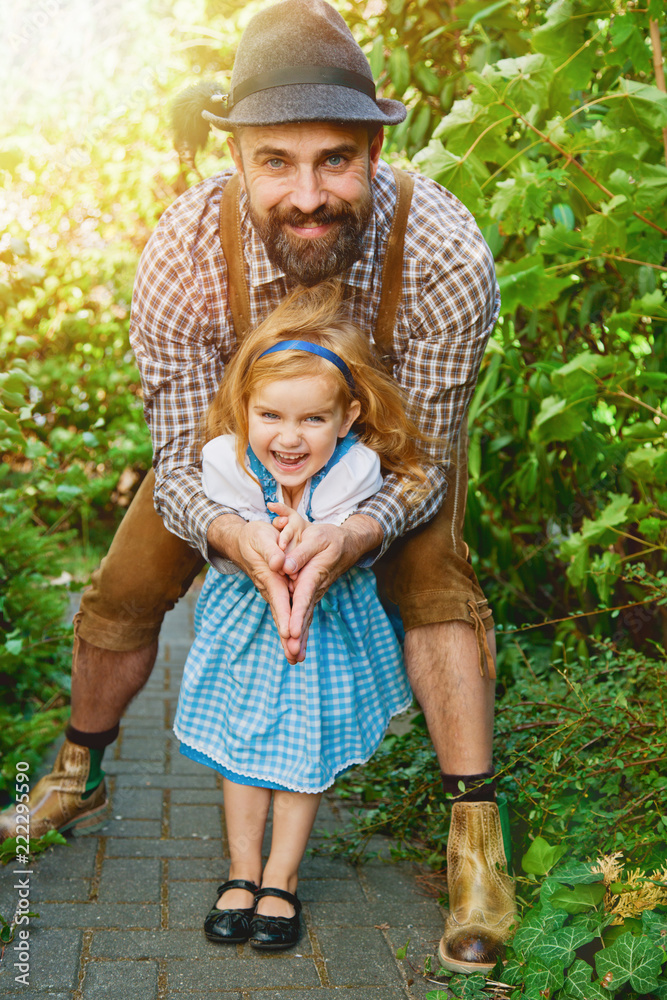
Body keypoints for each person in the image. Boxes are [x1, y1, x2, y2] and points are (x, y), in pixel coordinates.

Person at [0, 0, 516, 973]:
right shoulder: (184, 253)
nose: (308, 192)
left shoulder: (444, 255)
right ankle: (79, 768)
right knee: (123, 583)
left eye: (335, 159)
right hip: (229, 464)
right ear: (235, 157)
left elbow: (430, 456)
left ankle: (475, 846)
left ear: (374, 150)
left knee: (436, 582)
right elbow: (183, 453)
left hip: (378, 462)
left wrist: (360, 528)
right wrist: (239, 536)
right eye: (276, 160)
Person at [178, 284, 425, 949]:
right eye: (270, 416)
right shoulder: (224, 462)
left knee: (299, 753)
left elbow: (327, 547)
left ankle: (279, 880)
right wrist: (274, 547)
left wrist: (304, 546)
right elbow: (248, 548)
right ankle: (240, 872)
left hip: (321, 634)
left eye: (313, 421)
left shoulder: (357, 468)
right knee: (240, 752)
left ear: (346, 418)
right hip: (244, 628)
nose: (288, 439)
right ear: (244, 409)